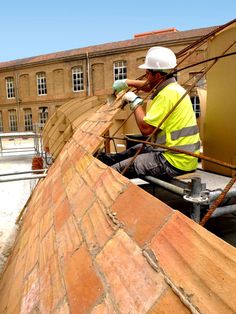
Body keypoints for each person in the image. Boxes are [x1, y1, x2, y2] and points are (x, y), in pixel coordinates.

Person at [99, 46, 200, 179]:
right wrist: (126, 82)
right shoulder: (174, 88)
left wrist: (134, 101)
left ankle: (105, 176)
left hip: (174, 161)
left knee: (117, 171)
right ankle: (103, 159)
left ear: (157, 75)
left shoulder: (166, 95)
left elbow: (146, 130)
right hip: (185, 157)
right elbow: (149, 86)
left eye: (147, 74)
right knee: (137, 149)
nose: (146, 77)